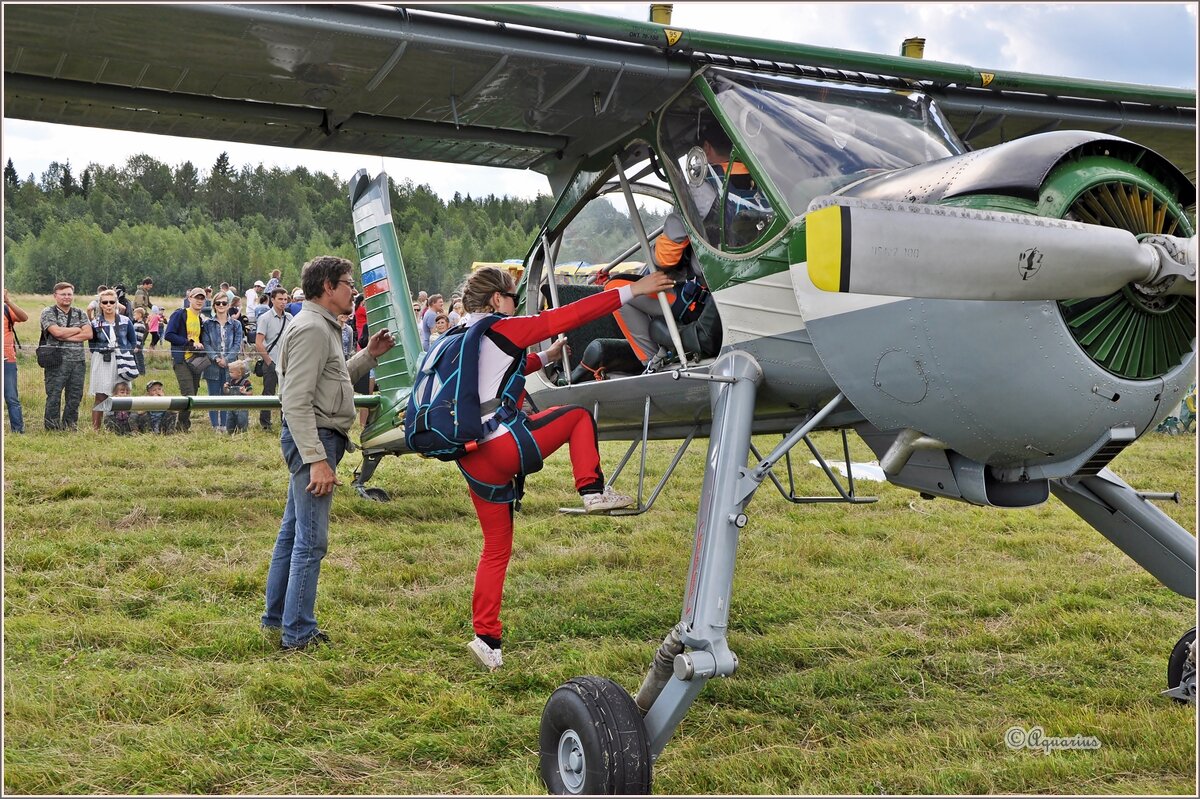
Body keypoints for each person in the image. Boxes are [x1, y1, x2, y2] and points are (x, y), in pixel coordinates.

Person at [451, 265, 672, 670]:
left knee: (495, 549)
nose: (516, 304)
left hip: (470, 457)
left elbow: (495, 373)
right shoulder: (503, 327)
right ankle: (591, 490)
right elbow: (568, 316)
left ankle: (487, 640)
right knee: (576, 418)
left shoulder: (462, 335)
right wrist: (633, 290)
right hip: (501, 446)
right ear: (497, 300)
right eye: (513, 297)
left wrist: (545, 358)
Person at [261, 255, 394, 651]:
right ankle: (298, 633)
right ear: (327, 288)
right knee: (311, 541)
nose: (354, 290)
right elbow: (296, 400)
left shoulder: (321, 326)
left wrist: (368, 355)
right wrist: (317, 459)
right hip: (314, 439)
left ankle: (277, 618)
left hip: (316, 436)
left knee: (293, 533)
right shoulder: (314, 330)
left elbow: (329, 383)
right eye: (347, 283)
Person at [40, 282, 93, 431]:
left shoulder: (80, 313)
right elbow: (56, 333)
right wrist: (77, 329)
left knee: (75, 397)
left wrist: (64, 335)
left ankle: (70, 425)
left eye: (69, 294)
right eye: (63, 294)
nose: (67, 297)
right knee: (54, 396)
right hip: (56, 361)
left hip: (78, 361)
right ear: (55, 296)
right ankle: (52, 428)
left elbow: (88, 334)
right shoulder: (48, 312)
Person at [88, 288, 137, 430]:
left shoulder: (126, 321)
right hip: (102, 359)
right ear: (100, 305)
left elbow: (132, 341)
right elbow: (92, 345)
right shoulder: (95, 323)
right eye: (105, 302)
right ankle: (96, 429)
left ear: (116, 303)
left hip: (122, 359)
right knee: (101, 395)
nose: (108, 305)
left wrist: (125, 354)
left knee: (122, 392)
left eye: (111, 302)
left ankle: (123, 427)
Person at [164, 287, 210, 432]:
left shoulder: (201, 318)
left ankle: (182, 424)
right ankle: (181, 427)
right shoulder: (180, 314)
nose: (199, 300)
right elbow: (169, 334)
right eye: (196, 297)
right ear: (189, 298)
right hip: (181, 360)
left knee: (194, 394)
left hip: (196, 361)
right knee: (188, 393)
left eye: (202, 298)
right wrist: (189, 343)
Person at [201, 292, 244, 432]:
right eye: (218, 303)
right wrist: (216, 358)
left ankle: (225, 425)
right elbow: (206, 344)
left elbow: (237, 344)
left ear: (228, 305)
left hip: (230, 366)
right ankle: (215, 425)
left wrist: (227, 359)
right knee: (213, 396)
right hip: (212, 365)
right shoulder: (207, 324)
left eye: (224, 303)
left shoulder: (236, 324)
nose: (221, 305)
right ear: (213, 305)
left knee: (227, 394)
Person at [255, 287, 292, 431]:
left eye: (285, 299)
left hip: (287, 362)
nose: (283, 302)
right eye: (280, 299)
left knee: (287, 393)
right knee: (268, 392)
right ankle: (265, 423)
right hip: (271, 360)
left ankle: (286, 421)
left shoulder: (290, 318)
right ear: (272, 300)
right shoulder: (265, 318)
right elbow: (259, 342)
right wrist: (269, 361)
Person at [3, 288, 29, 434]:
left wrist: (8, 301)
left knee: (12, 397)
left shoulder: (6, 309)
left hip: (7, 360)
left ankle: (18, 431)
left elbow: (24, 317)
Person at [224, 360, 252, 433]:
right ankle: (230, 432)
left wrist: (244, 392)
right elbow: (227, 393)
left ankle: (243, 433)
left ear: (239, 373)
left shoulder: (246, 382)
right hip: (231, 406)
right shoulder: (231, 382)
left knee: (242, 422)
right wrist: (225, 388)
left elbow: (251, 393)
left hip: (242, 407)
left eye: (231, 372)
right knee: (230, 421)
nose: (230, 374)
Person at [131, 307, 148, 376]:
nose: (134, 316)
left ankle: (142, 373)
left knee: (139, 359)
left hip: (137, 345)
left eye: (135, 314)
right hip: (135, 345)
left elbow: (139, 337)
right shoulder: (136, 324)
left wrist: (137, 346)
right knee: (136, 359)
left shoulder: (140, 325)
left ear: (140, 315)